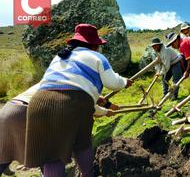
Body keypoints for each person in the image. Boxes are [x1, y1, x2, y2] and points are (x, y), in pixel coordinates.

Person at [24, 24, 132, 176]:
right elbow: (113, 83)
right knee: (82, 144)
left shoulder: (60, 56)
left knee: (52, 154)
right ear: (94, 45)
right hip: (70, 102)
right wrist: (125, 82)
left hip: (38, 103)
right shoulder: (97, 57)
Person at [0, 83, 116, 176]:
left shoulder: (54, 79)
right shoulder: (79, 88)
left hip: (8, 110)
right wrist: (106, 112)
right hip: (28, 112)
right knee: (52, 154)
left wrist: (103, 104)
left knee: (5, 150)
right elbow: (92, 108)